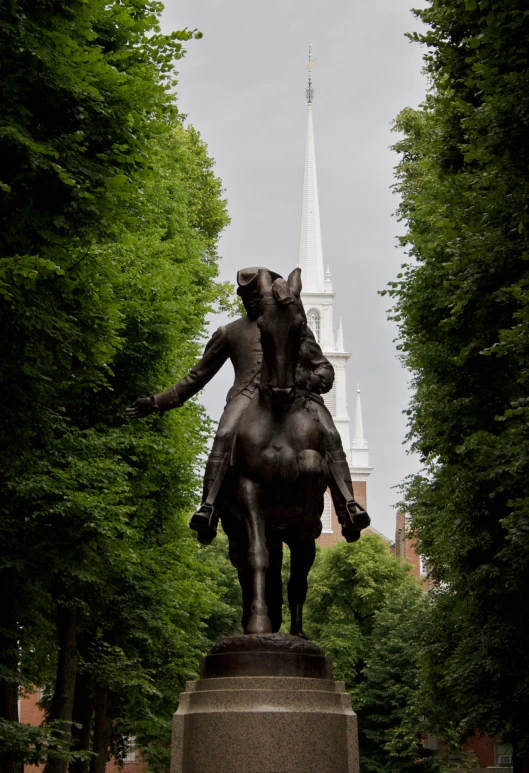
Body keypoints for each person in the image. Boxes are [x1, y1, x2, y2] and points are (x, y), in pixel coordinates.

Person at [127, 267, 369, 543]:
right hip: (244, 397)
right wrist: (157, 402)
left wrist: (315, 381)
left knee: (329, 433)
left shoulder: (291, 323)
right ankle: (209, 507)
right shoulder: (229, 332)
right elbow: (197, 377)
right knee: (224, 434)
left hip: (292, 394)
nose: (251, 300)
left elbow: (323, 366)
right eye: (246, 295)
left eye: (256, 294)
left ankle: (347, 507)